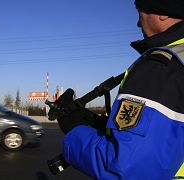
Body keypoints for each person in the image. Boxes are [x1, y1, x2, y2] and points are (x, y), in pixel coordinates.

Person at [62, 0, 184, 179]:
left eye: (140, 12)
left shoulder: (160, 67)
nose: (137, 22)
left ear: (163, 13)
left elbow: (127, 168)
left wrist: (75, 130)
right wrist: (104, 127)